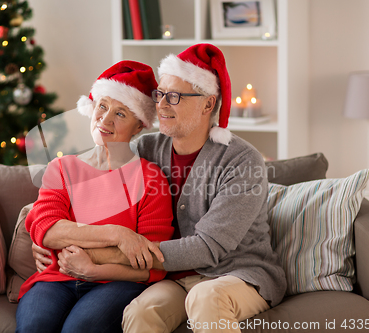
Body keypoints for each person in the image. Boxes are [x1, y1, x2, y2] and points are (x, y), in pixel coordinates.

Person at [34, 44, 287, 333]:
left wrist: (88, 254)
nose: (162, 105)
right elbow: (81, 185)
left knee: (206, 297)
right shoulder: (147, 148)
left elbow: (207, 248)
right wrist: (42, 237)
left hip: (237, 274)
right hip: (174, 277)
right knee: (142, 312)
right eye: (161, 94)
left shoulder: (242, 161)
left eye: (175, 96)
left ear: (208, 104)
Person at [16, 61, 174, 333]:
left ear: (139, 127)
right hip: (56, 278)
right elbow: (48, 230)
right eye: (102, 106)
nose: (105, 119)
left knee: (80, 328)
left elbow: (152, 263)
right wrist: (119, 235)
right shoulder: (61, 168)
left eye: (121, 113)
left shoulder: (150, 179)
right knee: (34, 326)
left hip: (117, 284)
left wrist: (90, 265)